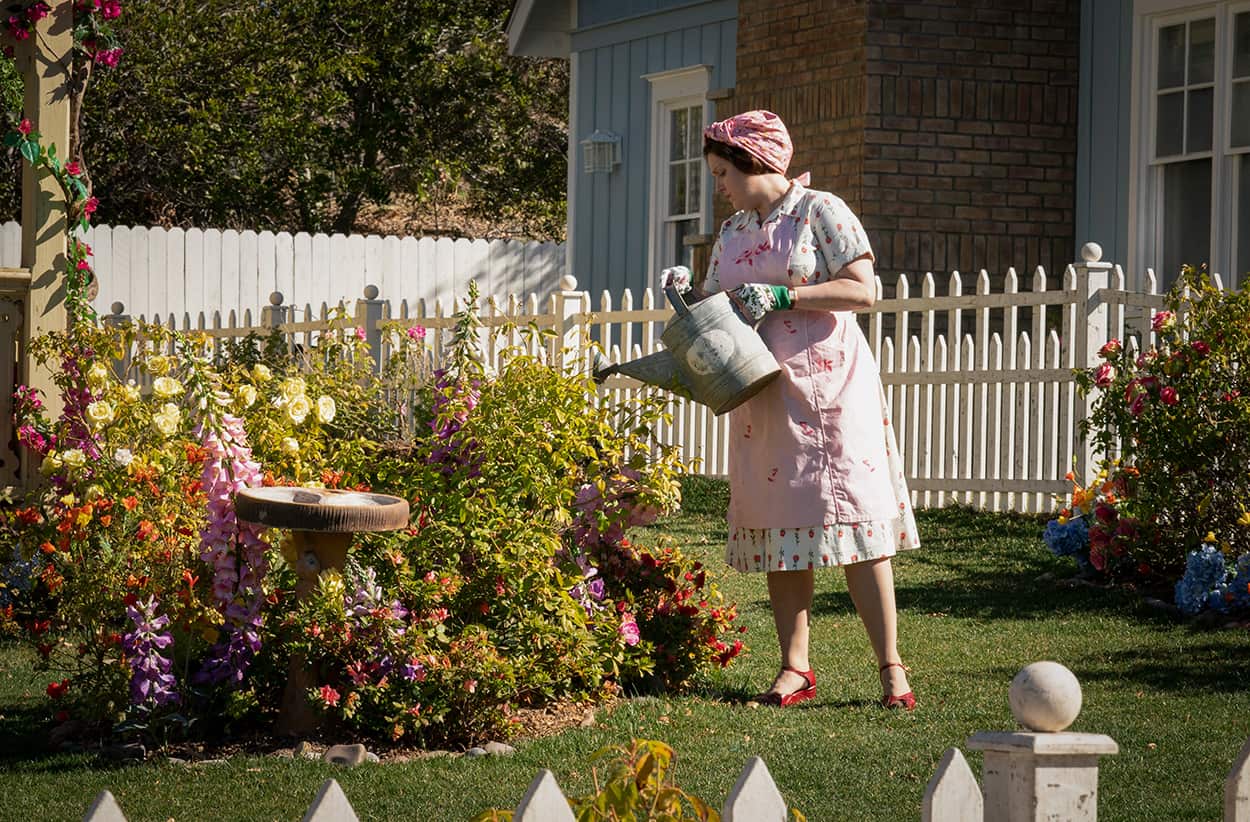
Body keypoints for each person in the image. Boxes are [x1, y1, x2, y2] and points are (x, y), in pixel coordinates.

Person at [663, 110, 920, 709]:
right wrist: (686, 294)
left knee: (858, 527)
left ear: (757, 163)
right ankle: (794, 668)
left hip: (831, 392)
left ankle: (891, 669)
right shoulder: (729, 233)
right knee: (781, 529)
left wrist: (786, 294)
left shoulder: (820, 211)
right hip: (763, 395)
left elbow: (864, 289)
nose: (719, 186)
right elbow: (717, 310)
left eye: (724, 173)